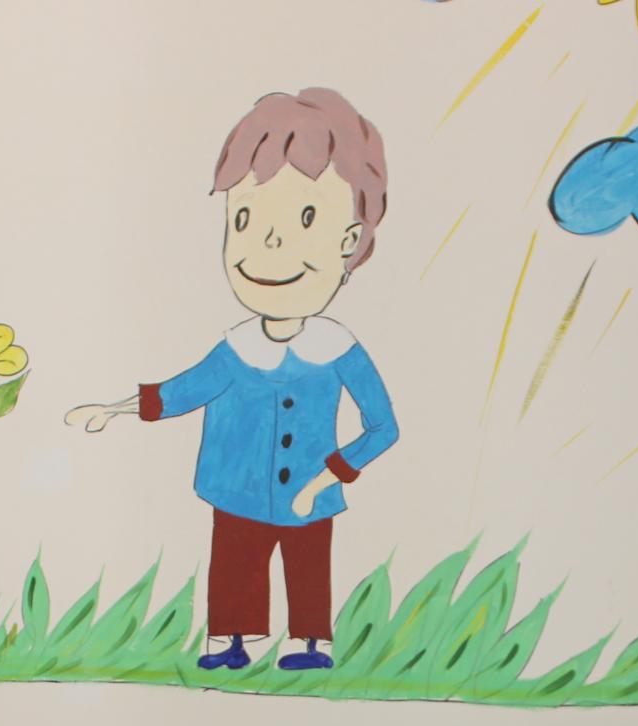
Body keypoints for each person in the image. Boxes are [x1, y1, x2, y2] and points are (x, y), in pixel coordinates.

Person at [65, 87, 399, 673]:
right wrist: (113, 410)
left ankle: (309, 642)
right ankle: (228, 640)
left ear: (348, 241)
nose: (269, 243)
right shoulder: (235, 347)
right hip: (233, 491)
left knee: (307, 565)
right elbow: (182, 391)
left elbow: (383, 427)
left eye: (304, 219)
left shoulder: (339, 348)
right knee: (235, 563)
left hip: (311, 495)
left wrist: (329, 474)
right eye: (244, 218)